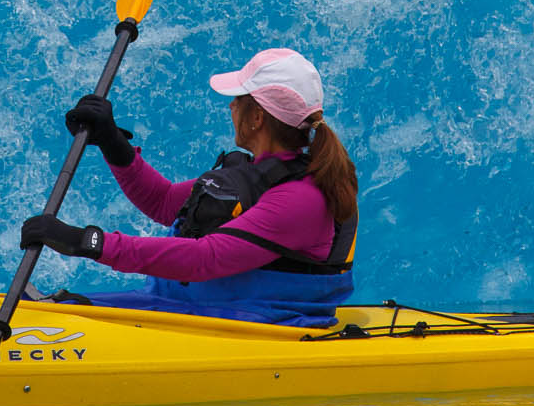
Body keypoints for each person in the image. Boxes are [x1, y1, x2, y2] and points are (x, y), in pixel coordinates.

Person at [19, 48, 358, 328]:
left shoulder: (302, 198)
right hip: (197, 306)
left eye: (237, 99)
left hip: (256, 323)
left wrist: (87, 242)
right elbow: (164, 202)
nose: (230, 106)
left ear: (257, 118)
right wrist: (111, 142)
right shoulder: (256, 174)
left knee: (67, 313)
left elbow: (204, 258)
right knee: (63, 305)